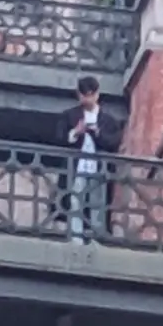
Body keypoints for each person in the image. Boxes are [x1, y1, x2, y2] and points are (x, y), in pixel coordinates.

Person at [62, 75, 108, 239]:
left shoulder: (108, 119)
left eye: (91, 95)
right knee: (75, 201)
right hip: (78, 166)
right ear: (79, 95)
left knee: (97, 203)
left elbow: (114, 141)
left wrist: (98, 134)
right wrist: (75, 132)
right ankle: (76, 238)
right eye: (84, 95)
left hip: (98, 167)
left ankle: (97, 238)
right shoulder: (69, 115)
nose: (88, 99)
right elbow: (58, 137)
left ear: (97, 94)